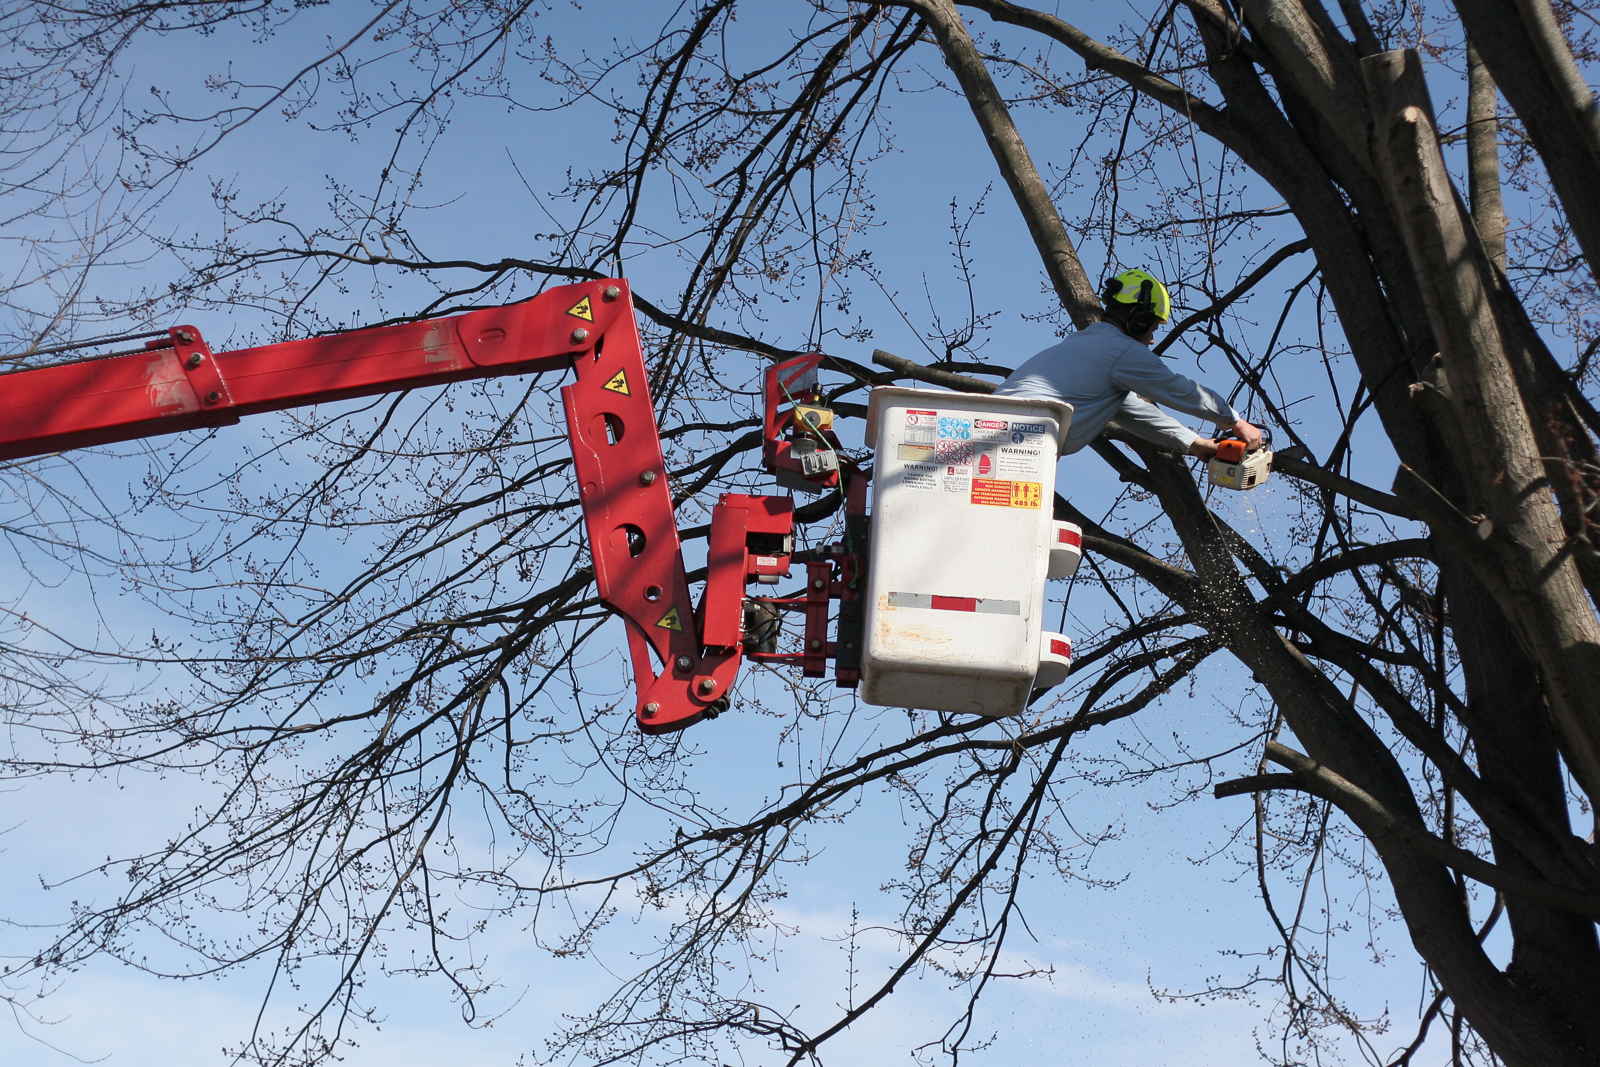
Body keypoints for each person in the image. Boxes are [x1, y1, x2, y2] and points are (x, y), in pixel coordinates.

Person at [994, 268, 1262, 460]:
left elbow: (1138, 413)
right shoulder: (1121, 351)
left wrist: (1194, 443)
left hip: (990, 435)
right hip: (1012, 441)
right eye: (1154, 325)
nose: (1153, 338)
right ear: (1140, 319)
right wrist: (1236, 422)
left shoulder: (1092, 348)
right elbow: (1180, 390)